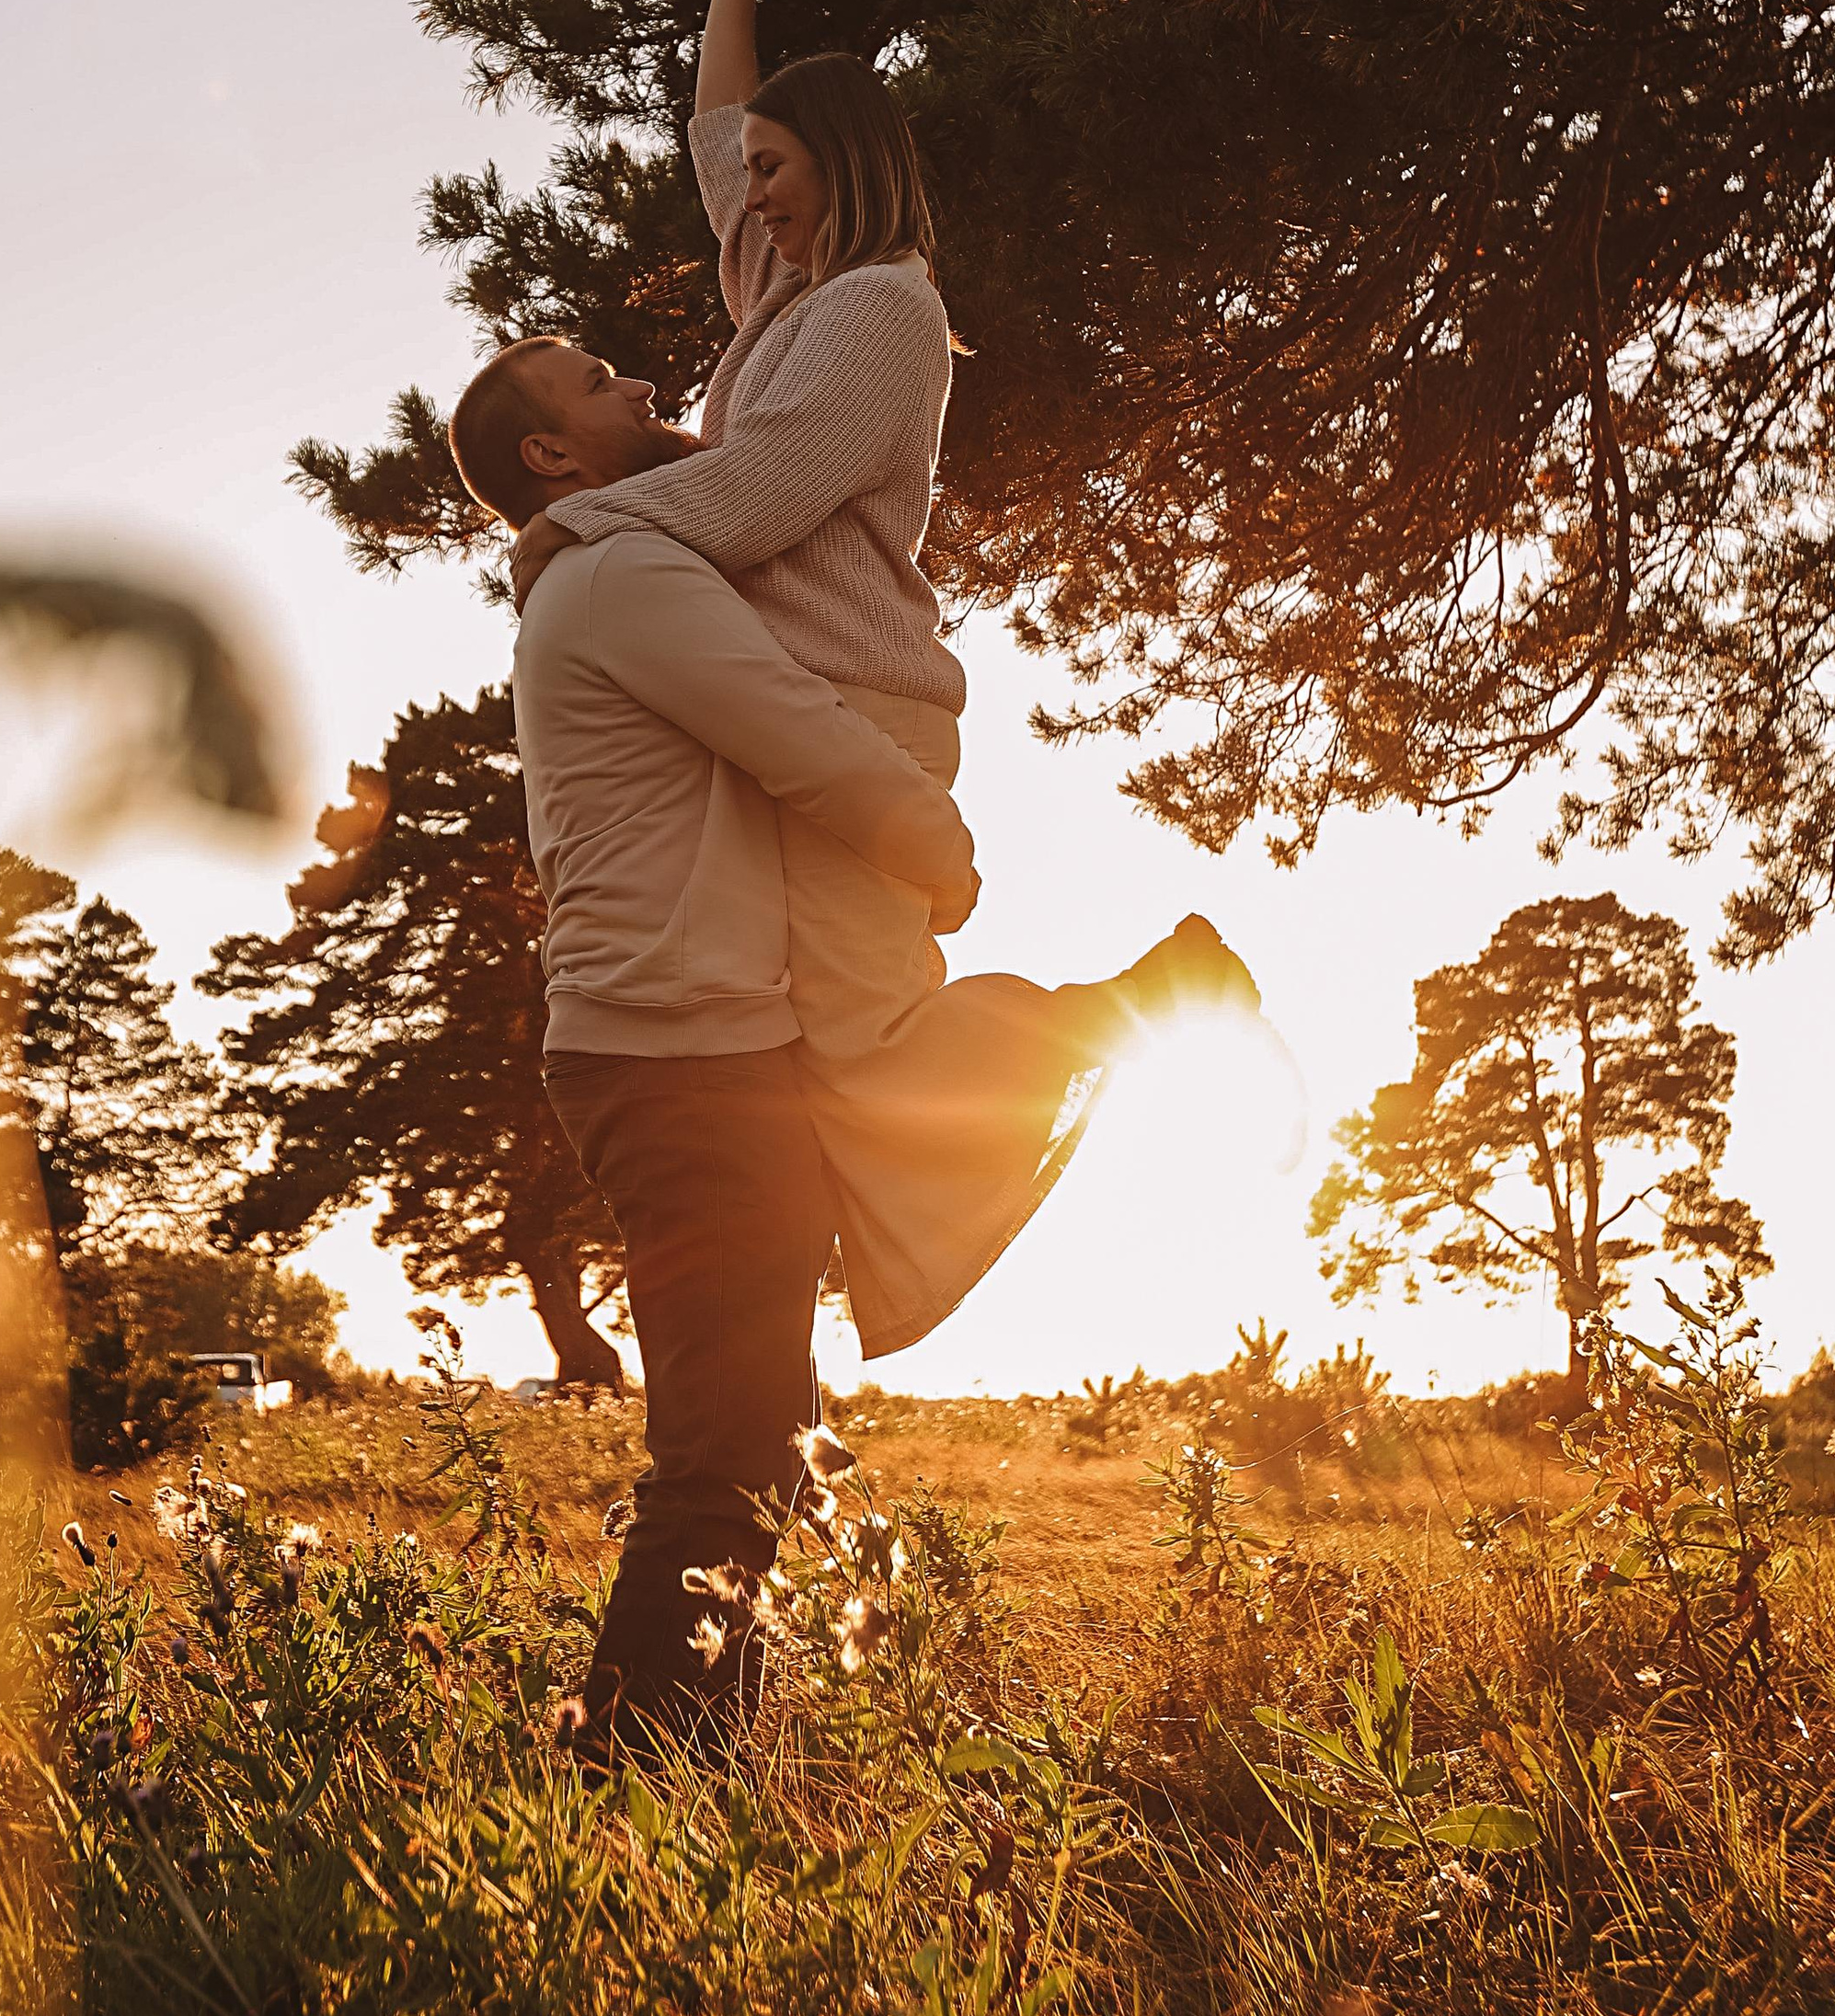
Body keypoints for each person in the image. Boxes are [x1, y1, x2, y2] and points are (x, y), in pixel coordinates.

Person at [449, 335, 1259, 1758]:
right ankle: (631, 1779)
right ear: (552, 458)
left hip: (697, 1050)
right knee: (726, 1456)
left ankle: (706, 1752)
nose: (639, 383)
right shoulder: (619, 576)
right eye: (594, 382)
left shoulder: (599, 574)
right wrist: (934, 845)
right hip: (681, 1063)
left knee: (758, 1439)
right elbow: (793, 730)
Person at [501, 0, 1286, 1352]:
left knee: (870, 1040)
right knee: (825, 1042)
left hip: (858, 707)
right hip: (811, 709)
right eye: (756, 177)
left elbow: (765, 491)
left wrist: (576, 525)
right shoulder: (783, 298)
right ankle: (822, 1279)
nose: (756, 195)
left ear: (846, 165)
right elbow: (714, 129)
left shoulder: (879, 311)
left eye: (782, 173)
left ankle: (1150, 1000)